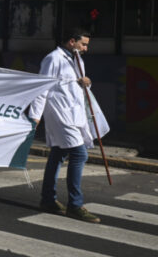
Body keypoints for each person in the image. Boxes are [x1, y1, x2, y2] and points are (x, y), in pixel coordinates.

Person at [29, 29, 104, 223]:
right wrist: (35, 117)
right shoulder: (53, 59)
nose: (86, 48)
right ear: (72, 42)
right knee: (80, 154)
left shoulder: (77, 60)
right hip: (60, 114)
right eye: (83, 44)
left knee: (58, 154)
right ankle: (75, 205)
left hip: (74, 113)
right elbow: (41, 88)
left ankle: (47, 200)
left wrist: (85, 82)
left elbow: (73, 85)